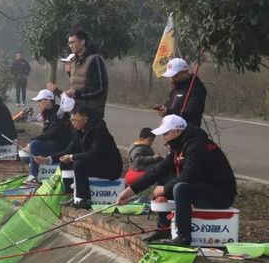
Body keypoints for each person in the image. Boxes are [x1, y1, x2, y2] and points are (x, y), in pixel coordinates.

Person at [117, 115, 237, 246]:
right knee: (164, 178)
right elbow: (157, 171)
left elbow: (189, 176)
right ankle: (164, 229)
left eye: (166, 133)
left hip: (220, 193)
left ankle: (184, 237)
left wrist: (164, 189)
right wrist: (129, 191)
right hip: (200, 187)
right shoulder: (178, 146)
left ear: (178, 131)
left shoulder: (197, 145)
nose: (163, 137)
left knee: (180, 187)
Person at [35, 106, 122, 210]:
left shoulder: (99, 130)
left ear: (85, 119)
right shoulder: (78, 130)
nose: (73, 123)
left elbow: (94, 153)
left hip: (109, 167)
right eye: (71, 120)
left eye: (75, 120)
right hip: (94, 163)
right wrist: (48, 159)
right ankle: (73, 195)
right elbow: (69, 150)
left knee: (79, 164)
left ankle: (84, 199)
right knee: (65, 162)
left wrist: (72, 157)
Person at [48, 30, 108, 119]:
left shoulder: (95, 60)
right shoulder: (73, 60)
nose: (70, 46)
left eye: (73, 42)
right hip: (76, 110)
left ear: (82, 42)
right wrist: (69, 74)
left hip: (91, 112)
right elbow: (78, 83)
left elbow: (100, 89)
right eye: (69, 43)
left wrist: (77, 94)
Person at [23, 89, 74, 184]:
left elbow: (52, 133)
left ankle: (33, 176)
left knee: (34, 144)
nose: (38, 104)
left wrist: (32, 142)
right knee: (26, 154)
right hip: (52, 144)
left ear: (48, 100)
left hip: (61, 147)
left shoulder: (59, 113)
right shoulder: (47, 112)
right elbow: (45, 134)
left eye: (39, 101)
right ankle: (36, 171)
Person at [154, 58, 207, 127]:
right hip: (172, 131)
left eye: (175, 76)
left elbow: (191, 114)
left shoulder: (196, 88)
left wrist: (168, 113)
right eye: (170, 76)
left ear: (184, 73)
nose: (172, 78)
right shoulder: (175, 88)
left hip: (188, 132)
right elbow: (169, 106)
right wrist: (162, 108)